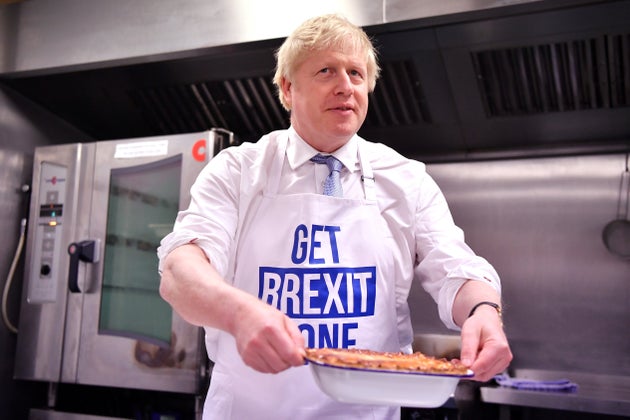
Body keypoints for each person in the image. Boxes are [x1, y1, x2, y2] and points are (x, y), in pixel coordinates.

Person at [158, 13, 512, 420]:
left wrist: (483, 311)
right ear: (288, 89)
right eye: (326, 70)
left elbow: (455, 268)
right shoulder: (238, 171)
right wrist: (237, 313)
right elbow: (180, 272)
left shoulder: (405, 179)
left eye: (356, 74)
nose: (346, 86)